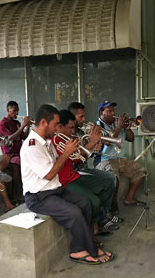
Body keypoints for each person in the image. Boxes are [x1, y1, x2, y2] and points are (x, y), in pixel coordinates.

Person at [20, 104, 114, 264]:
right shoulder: (32, 146)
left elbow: (64, 162)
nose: (58, 128)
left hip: (55, 190)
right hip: (39, 197)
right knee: (74, 213)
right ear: (44, 123)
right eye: (56, 124)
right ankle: (83, 250)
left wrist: (82, 149)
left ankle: (83, 247)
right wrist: (66, 153)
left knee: (85, 204)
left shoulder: (46, 142)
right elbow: (49, 174)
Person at [53, 110, 115, 240]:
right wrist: (91, 143)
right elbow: (73, 157)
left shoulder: (69, 138)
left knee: (108, 183)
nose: (72, 131)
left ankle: (96, 219)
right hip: (64, 181)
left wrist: (92, 149)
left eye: (73, 128)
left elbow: (78, 159)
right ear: (60, 127)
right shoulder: (56, 140)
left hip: (74, 175)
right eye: (69, 128)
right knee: (94, 201)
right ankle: (92, 230)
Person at [68, 101, 124, 230]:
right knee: (108, 180)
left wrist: (94, 148)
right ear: (72, 117)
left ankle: (105, 214)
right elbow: (75, 157)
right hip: (76, 172)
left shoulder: (82, 132)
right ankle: (104, 218)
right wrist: (91, 146)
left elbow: (87, 156)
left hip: (83, 168)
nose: (84, 119)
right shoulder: (68, 134)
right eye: (81, 116)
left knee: (111, 179)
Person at [95, 100, 147, 207]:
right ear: (101, 113)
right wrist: (118, 127)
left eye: (113, 111)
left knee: (141, 171)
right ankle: (112, 206)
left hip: (119, 159)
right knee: (114, 180)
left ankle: (129, 198)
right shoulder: (97, 126)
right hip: (104, 160)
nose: (113, 113)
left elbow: (131, 138)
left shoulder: (116, 124)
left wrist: (127, 128)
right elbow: (108, 142)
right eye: (109, 111)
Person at [0, 101, 30, 199]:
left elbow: (24, 136)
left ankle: (26, 191)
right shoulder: (3, 124)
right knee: (16, 168)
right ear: (8, 110)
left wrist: (27, 126)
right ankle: (16, 195)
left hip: (19, 153)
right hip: (9, 155)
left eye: (17, 110)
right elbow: (9, 139)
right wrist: (22, 126)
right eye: (14, 111)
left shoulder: (16, 123)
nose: (16, 113)